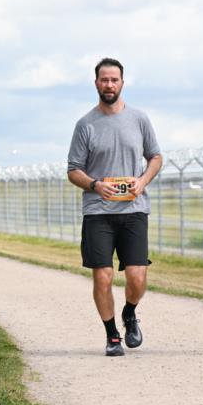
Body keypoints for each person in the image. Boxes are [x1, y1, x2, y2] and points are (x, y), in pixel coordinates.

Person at [67, 57, 162, 357]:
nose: (109, 84)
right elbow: (73, 170)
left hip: (133, 210)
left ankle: (130, 313)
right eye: (104, 80)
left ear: (122, 82)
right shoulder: (85, 125)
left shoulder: (139, 119)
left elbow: (155, 157)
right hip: (98, 213)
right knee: (103, 276)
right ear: (96, 83)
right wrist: (95, 184)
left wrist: (143, 181)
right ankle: (112, 336)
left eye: (114, 80)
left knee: (137, 276)